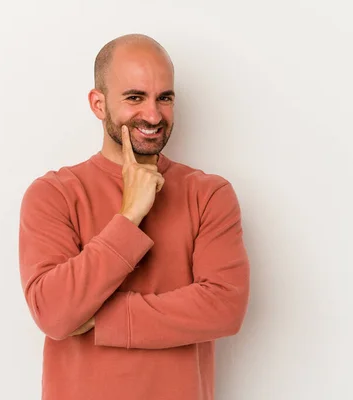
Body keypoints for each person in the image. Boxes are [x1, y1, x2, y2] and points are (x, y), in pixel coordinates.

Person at [18, 33, 250, 400]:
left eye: (165, 98)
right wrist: (130, 215)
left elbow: (224, 307)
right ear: (98, 103)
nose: (153, 115)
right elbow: (54, 313)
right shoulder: (53, 194)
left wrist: (102, 319)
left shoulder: (209, 194)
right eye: (134, 97)